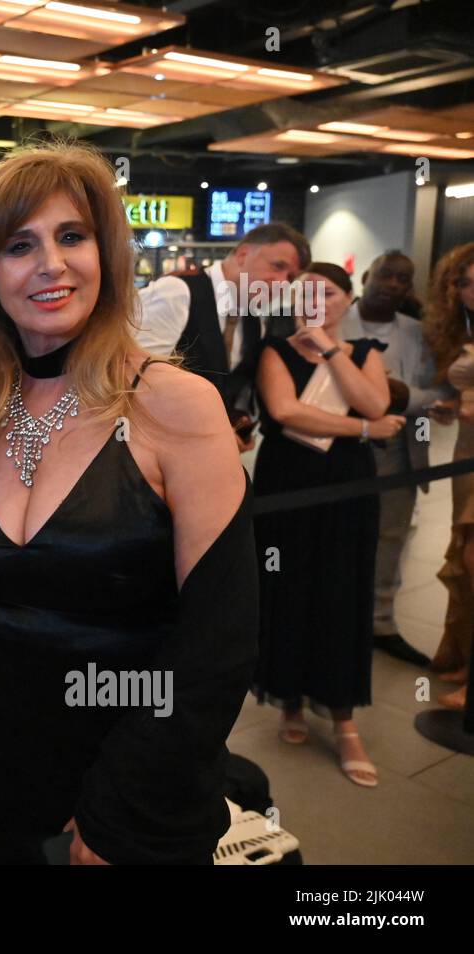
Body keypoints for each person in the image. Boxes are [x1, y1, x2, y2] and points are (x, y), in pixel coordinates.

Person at [0, 142, 255, 864]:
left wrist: (125, 809)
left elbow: (220, 639)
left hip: (133, 779)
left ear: (106, 255)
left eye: (72, 237)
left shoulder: (175, 404)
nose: (50, 264)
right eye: (20, 245)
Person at [252, 262, 404, 787]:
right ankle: (289, 700)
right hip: (289, 484)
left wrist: (333, 351)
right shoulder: (273, 350)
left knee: (342, 590)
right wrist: (366, 428)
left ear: (347, 301)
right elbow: (287, 412)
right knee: (288, 587)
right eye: (307, 292)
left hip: (347, 486)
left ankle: (344, 719)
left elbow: (376, 398)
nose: (317, 301)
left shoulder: (365, 353)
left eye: (329, 293)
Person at [340, 251, 456, 667]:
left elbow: (442, 393)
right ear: (367, 276)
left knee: (390, 540)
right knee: (335, 538)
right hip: (339, 451)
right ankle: (332, 622)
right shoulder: (333, 323)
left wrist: (404, 397)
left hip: (398, 454)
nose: (392, 284)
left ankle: (381, 623)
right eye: (385, 275)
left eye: (403, 279)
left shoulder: (419, 333)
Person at [135, 223, 310, 451]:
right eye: (277, 266)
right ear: (243, 254)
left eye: (290, 277)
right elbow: (134, 382)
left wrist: (236, 423)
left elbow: (229, 386)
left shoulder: (254, 321)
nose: (282, 282)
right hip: (151, 451)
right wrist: (210, 429)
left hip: (204, 458)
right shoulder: (177, 291)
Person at [424, 243, 474, 711]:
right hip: (465, 452)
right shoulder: (458, 330)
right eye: (465, 282)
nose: (472, 291)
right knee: (463, 551)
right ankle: (462, 654)